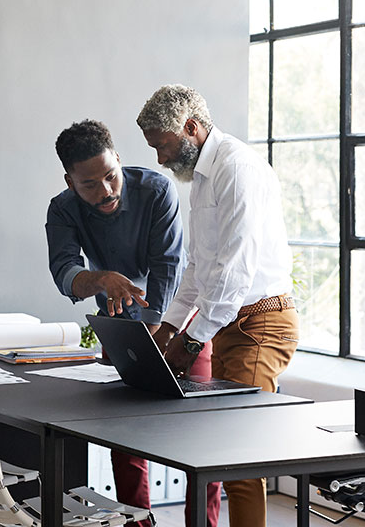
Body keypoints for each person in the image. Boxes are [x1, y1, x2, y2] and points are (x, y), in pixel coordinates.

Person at [136, 85, 299, 527]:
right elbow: (199, 268)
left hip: (262, 323)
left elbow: (235, 272)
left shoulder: (237, 168)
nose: (160, 159)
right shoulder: (201, 177)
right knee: (219, 454)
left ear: (190, 128)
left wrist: (189, 343)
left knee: (238, 460)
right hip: (231, 322)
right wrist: (167, 328)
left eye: (163, 146)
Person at [45, 119, 222, 527]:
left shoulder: (156, 189)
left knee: (201, 436)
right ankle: (137, 524)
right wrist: (100, 280)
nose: (105, 191)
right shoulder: (62, 209)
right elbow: (64, 271)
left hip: (181, 325)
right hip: (120, 327)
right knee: (126, 440)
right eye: (89, 184)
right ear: (70, 182)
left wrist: (159, 330)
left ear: (119, 160)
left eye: (111, 176)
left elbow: (168, 267)